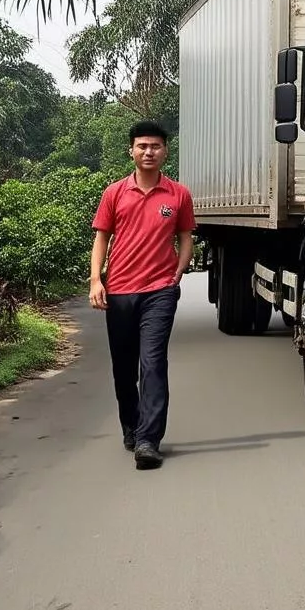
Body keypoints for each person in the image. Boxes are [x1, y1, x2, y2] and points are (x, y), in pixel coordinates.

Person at [89, 121, 196, 469]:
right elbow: (102, 238)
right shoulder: (114, 193)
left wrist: (176, 273)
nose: (148, 152)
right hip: (119, 291)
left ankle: (149, 439)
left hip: (159, 292)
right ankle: (131, 426)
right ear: (131, 151)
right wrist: (95, 280)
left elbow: (185, 238)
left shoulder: (178, 194)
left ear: (166, 151)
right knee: (124, 367)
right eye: (142, 146)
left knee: (152, 363)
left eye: (155, 146)